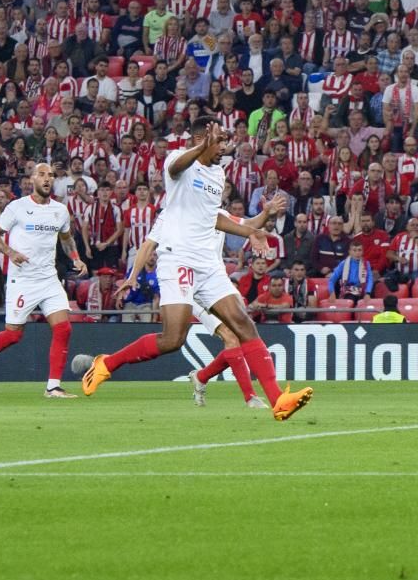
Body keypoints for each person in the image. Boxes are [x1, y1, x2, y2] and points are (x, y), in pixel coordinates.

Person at [81, 118, 312, 421]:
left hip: (207, 264)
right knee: (172, 339)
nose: (225, 148)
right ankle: (107, 364)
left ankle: (278, 400)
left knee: (243, 324)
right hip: (177, 258)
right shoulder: (179, 161)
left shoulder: (217, 173)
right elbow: (177, 171)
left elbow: (215, 218)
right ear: (204, 139)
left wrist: (262, 218)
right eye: (221, 141)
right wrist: (132, 276)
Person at [0, 162, 88, 398]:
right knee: (13, 334)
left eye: (51, 175)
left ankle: (53, 386)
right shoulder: (17, 207)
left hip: (48, 278)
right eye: (42, 174)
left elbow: (66, 239)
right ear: (32, 179)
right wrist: (11, 253)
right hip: (22, 280)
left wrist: (76, 258)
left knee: (63, 328)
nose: (47, 179)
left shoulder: (60, 210)